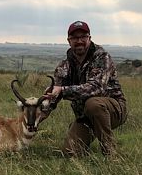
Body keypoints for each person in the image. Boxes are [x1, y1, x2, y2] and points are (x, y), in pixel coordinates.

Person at [47, 21, 127, 156]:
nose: (79, 41)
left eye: (83, 37)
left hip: (113, 110)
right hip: (85, 116)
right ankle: (84, 138)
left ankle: (110, 154)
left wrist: (63, 90)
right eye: (75, 38)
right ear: (69, 41)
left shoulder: (102, 57)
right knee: (69, 152)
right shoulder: (64, 65)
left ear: (89, 38)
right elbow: (56, 91)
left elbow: (96, 88)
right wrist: (42, 106)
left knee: (93, 104)